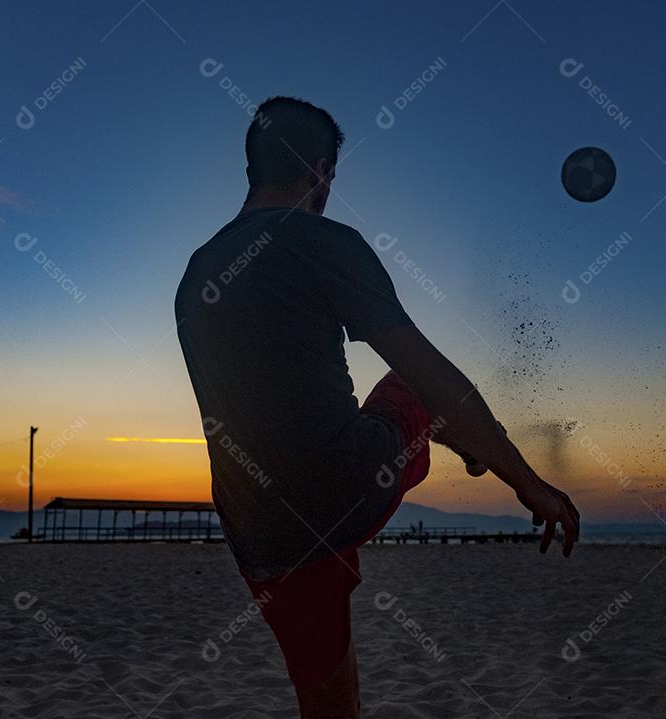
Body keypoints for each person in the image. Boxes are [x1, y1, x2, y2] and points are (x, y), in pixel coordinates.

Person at [174, 96, 579, 718]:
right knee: (417, 385)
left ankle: (458, 442)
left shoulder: (196, 272)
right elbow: (433, 374)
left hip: (257, 525)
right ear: (318, 171)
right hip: (345, 485)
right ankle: (465, 446)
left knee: (326, 700)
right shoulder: (322, 239)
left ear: (252, 168)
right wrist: (528, 483)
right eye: (331, 175)